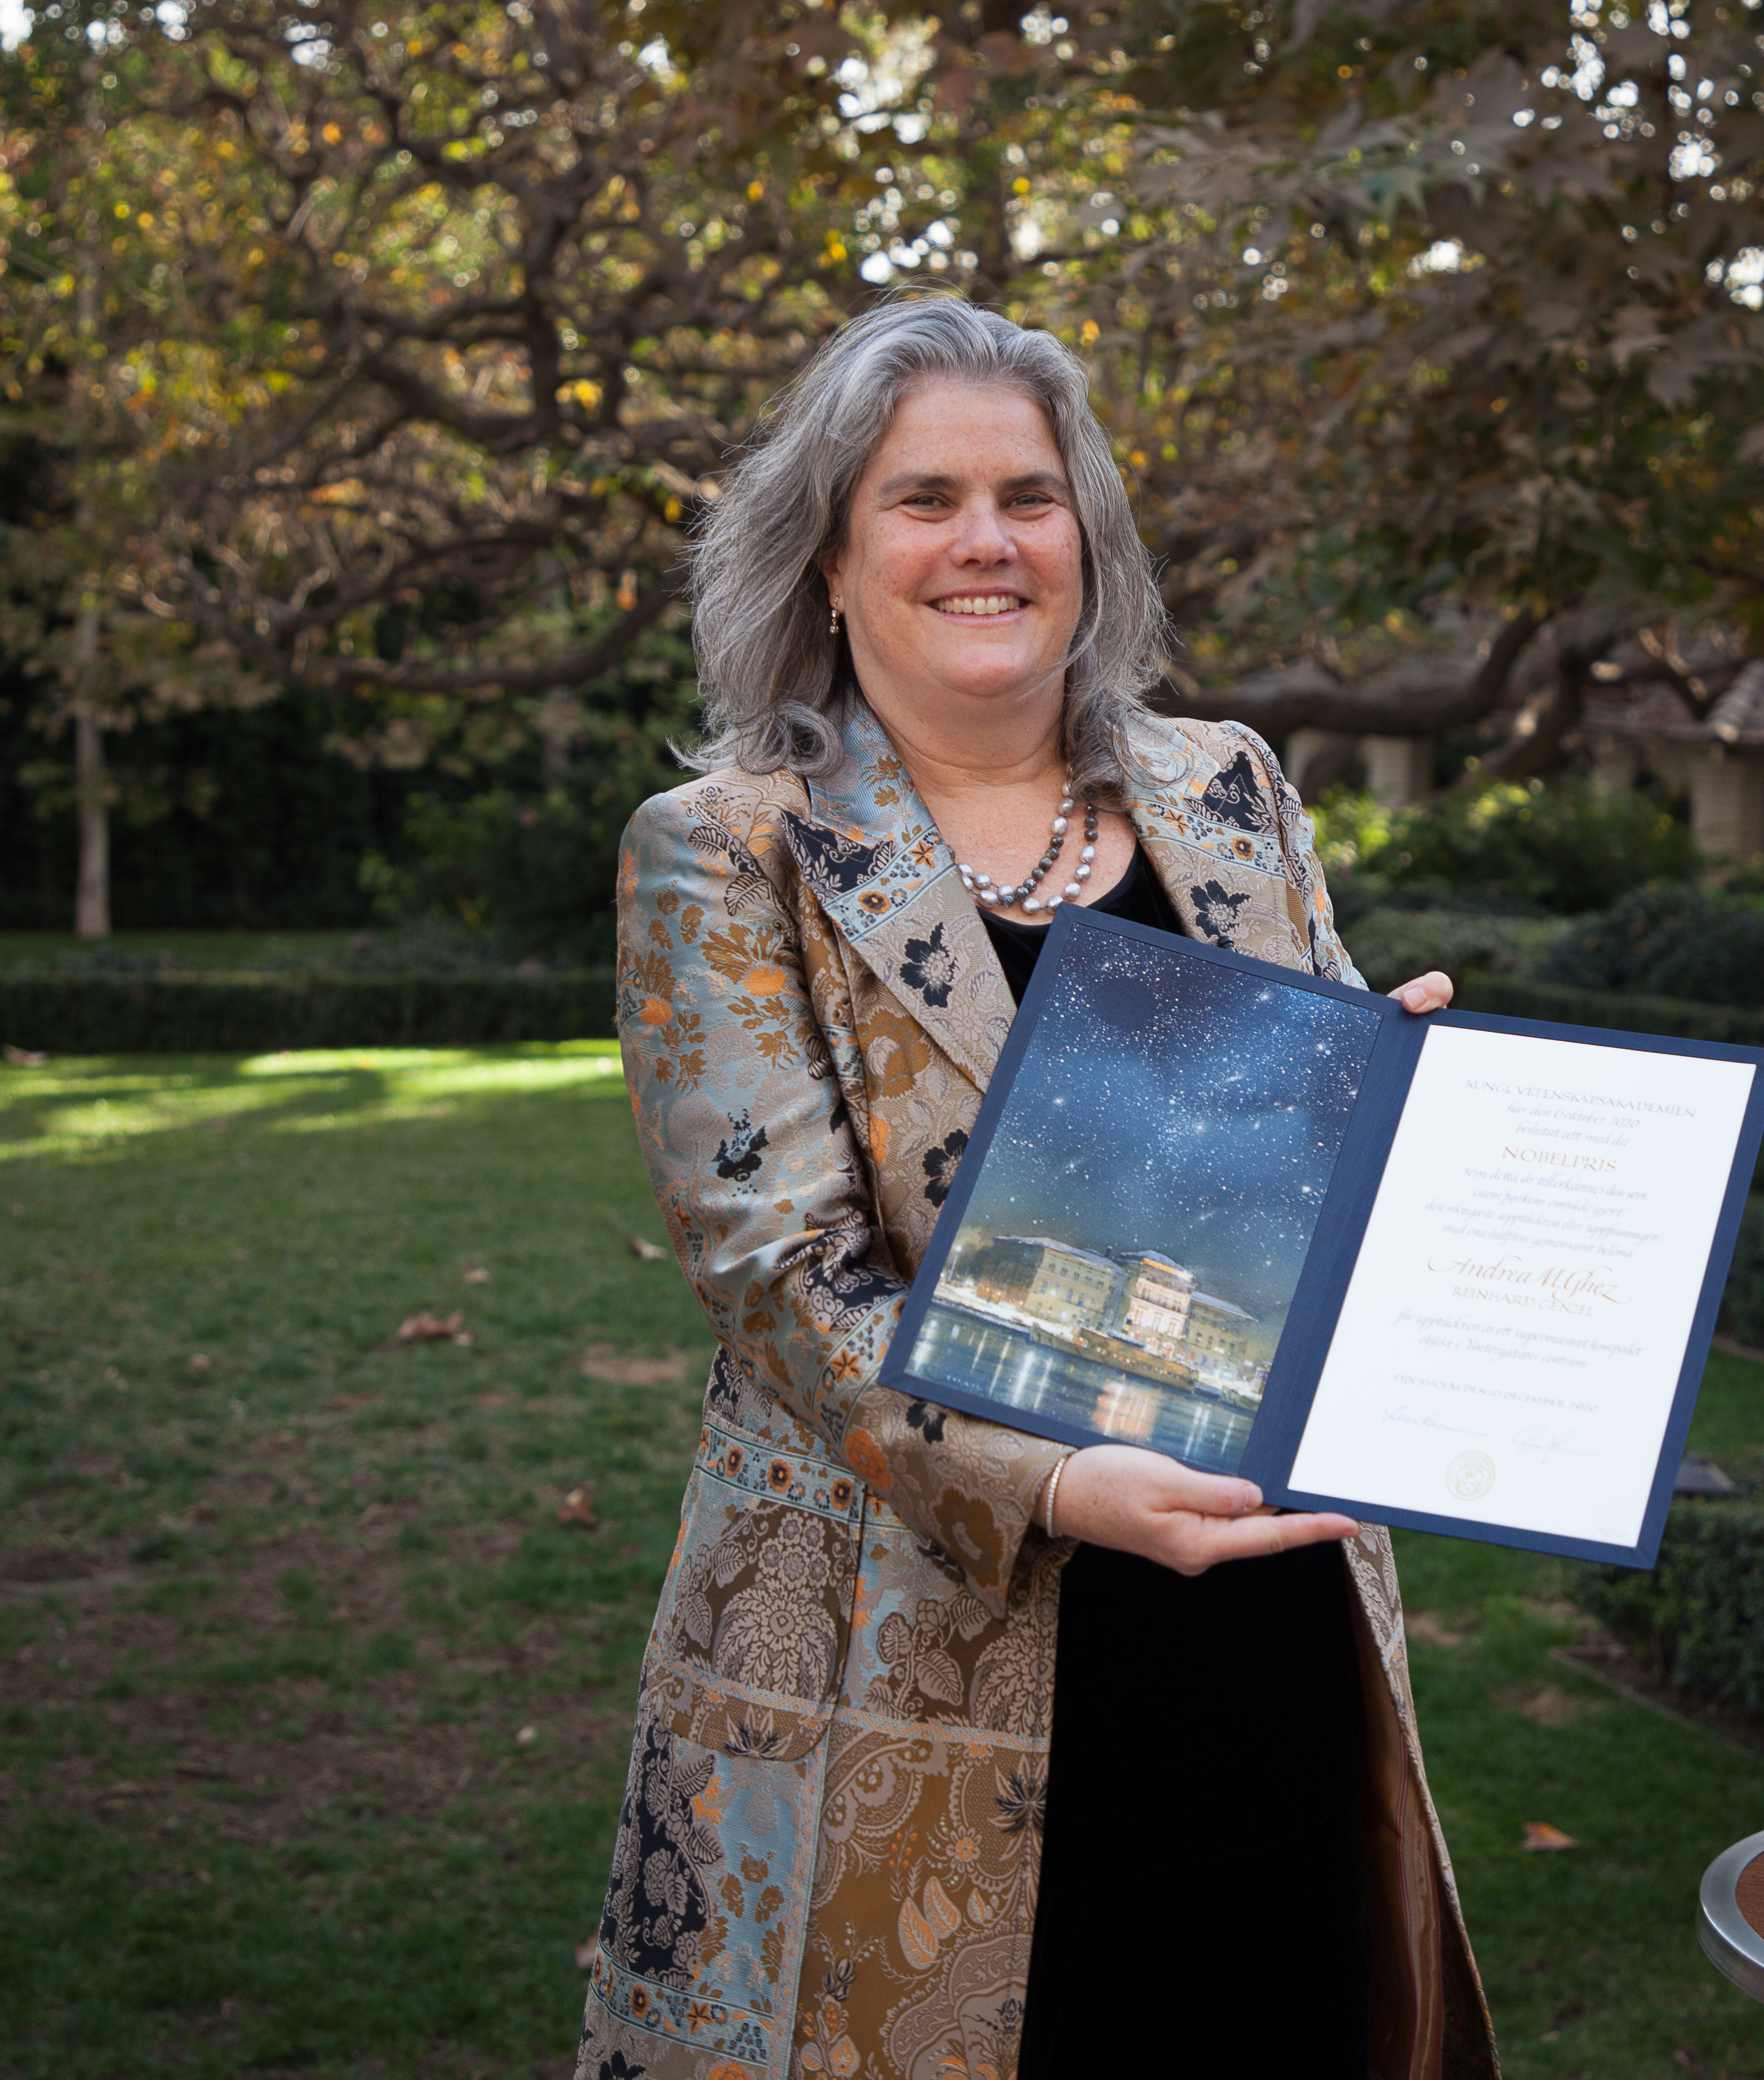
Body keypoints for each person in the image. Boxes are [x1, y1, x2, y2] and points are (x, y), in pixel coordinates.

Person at [574, 296, 1497, 2080]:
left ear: (1090, 540)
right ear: (830, 560)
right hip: (911, 1638)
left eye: (1030, 495)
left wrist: (1398, 1110)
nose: (987, 541)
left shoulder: (1227, 791)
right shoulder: (724, 849)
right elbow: (783, 1276)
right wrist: (1062, 1479)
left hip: (1262, 1602)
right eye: (924, 499)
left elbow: (1306, 1196)